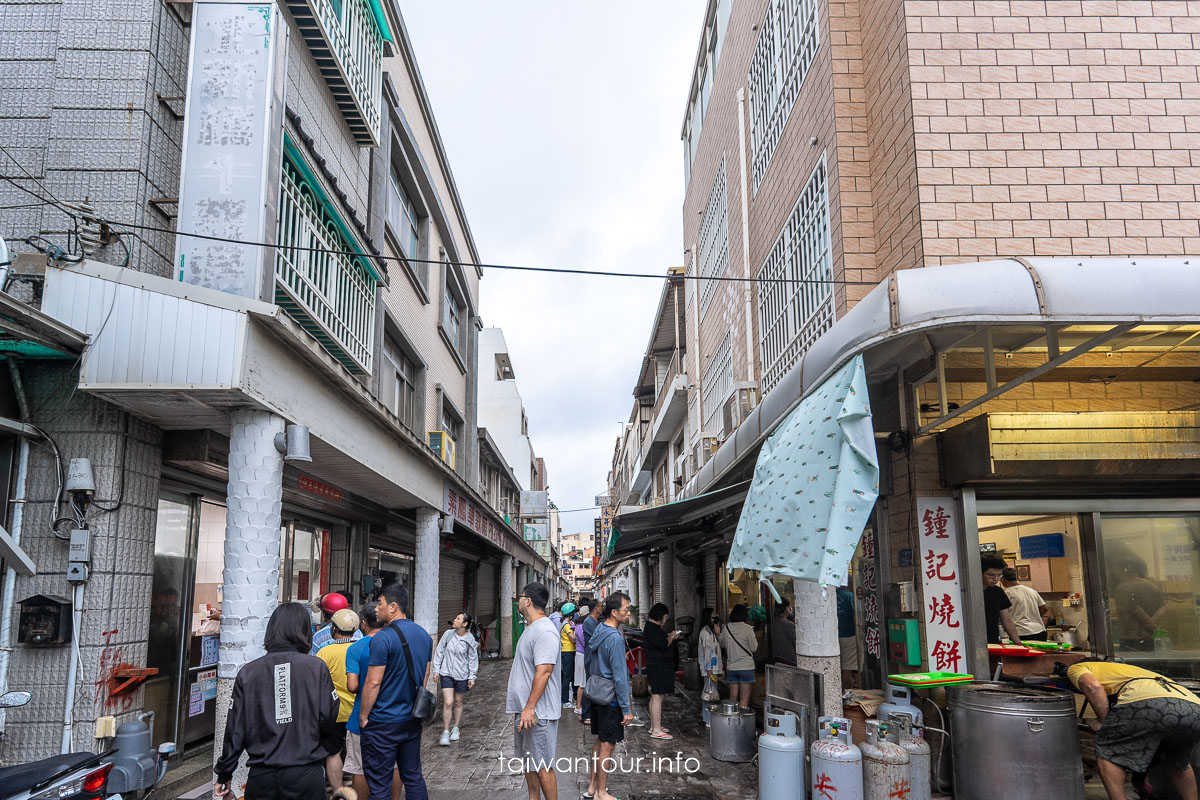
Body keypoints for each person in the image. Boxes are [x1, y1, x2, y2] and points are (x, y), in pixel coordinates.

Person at [214, 603, 341, 800]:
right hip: (306, 773)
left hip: (262, 776)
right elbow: (329, 715)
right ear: (305, 631)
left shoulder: (248, 673)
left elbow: (235, 729)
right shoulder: (316, 668)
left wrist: (225, 773)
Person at [1067, 660, 1200, 800]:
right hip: (1194, 708)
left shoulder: (1079, 667)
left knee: (1109, 753)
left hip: (1148, 703)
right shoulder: (1131, 671)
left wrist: (1103, 721)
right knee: (1177, 761)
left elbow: (1092, 686)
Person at [359, 583, 432, 800]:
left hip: (382, 722)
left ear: (393, 607)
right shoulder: (424, 635)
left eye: (379, 603)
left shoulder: (382, 638)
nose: (376, 609)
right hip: (411, 719)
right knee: (413, 776)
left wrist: (363, 716)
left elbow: (373, 683)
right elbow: (425, 676)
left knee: (380, 785)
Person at [505, 583, 561, 800]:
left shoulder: (545, 630)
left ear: (528, 600)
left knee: (543, 766)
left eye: (520, 597)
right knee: (530, 763)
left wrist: (530, 707)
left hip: (539, 713)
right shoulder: (531, 628)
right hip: (526, 711)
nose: (518, 600)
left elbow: (545, 671)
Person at [344, 605, 401, 800]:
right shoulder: (395, 644)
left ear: (363, 623)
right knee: (394, 765)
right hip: (392, 715)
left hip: (361, 717)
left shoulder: (356, 648)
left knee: (360, 768)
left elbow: (352, 686)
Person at [583, 592, 633, 800]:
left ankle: (593, 787)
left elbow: (589, 660)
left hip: (596, 693)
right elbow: (620, 677)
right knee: (607, 744)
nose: (629, 613)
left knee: (600, 741)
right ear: (614, 612)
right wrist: (627, 709)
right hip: (610, 698)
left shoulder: (599, 630)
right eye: (626, 610)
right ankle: (601, 793)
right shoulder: (614, 637)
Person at [316, 607, 360, 794]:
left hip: (332, 712)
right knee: (358, 754)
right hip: (357, 711)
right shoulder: (362, 648)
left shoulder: (324, 653)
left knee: (333, 752)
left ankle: (338, 792)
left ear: (334, 629)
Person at [431, 611, 479, 746]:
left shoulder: (470, 641)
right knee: (448, 702)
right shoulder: (448, 634)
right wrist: (436, 670)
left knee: (458, 702)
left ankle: (456, 728)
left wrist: (472, 677)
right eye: (455, 617)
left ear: (464, 624)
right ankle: (446, 731)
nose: (454, 620)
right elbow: (439, 651)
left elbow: (472, 659)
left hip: (462, 675)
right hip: (446, 673)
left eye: (458, 619)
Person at [642, 602, 678, 741]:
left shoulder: (652, 627)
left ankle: (654, 726)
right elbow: (663, 645)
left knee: (656, 696)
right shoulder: (652, 628)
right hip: (658, 667)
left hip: (658, 666)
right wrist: (671, 637)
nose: (666, 619)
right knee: (657, 696)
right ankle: (656, 729)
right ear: (660, 616)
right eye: (665, 616)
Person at [1115, 560, 1167, 652]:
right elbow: (1163, 606)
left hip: (1131, 640)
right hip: (1150, 637)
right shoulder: (1152, 586)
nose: (1115, 573)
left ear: (1125, 570)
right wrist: (1153, 625)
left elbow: (1136, 611)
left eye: (1116, 569)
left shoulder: (1123, 588)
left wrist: (1151, 625)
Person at [720, 603, 758, 708]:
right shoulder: (748, 629)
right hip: (746, 667)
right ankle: (741, 723)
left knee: (733, 697)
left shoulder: (726, 628)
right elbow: (754, 648)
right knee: (744, 698)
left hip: (731, 667)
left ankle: (733, 721)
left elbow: (721, 644)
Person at [981, 555, 1023, 645]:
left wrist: (1018, 643)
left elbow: (1006, 620)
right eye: (991, 575)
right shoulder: (969, 593)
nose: (995, 579)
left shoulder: (998, 592)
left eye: (999, 575)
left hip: (993, 641)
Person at [1001, 568, 1050, 642]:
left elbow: (1003, 614)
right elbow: (1044, 608)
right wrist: (1034, 617)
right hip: (1039, 631)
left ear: (1003, 579)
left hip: (1020, 633)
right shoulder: (1031, 591)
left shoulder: (1007, 593)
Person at [697, 607, 722, 726]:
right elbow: (707, 651)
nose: (715, 617)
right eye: (713, 616)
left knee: (709, 692)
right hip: (710, 668)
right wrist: (709, 668)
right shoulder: (706, 632)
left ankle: (706, 715)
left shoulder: (710, 631)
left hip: (711, 667)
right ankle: (708, 719)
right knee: (710, 693)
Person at [578, 602, 603, 725]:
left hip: (595, 658)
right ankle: (586, 714)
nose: (602, 608)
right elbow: (600, 636)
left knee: (594, 685)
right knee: (590, 685)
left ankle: (592, 713)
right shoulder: (589, 622)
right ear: (596, 609)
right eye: (601, 606)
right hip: (590, 658)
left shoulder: (597, 621)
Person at [835, 587, 858, 688]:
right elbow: (856, 616)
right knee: (847, 667)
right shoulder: (849, 595)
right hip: (847, 635)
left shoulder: (822, 594)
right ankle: (846, 692)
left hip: (828, 637)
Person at [572, 605, 590, 715]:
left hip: (578, 654)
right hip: (583, 655)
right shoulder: (583, 627)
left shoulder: (577, 626)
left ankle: (579, 705)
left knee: (580, 682)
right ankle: (578, 706)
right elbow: (585, 643)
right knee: (582, 683)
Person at [559, 602, 577, 709]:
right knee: (567, 677)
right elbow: (573, 639)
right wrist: (574, 629)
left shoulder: (565, 623)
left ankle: (567, 699)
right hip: (568, 652)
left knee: (569, 676)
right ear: (571, 614)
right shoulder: (567, 625)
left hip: (567, 652)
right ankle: (565, 701)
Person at [771, 597, 797, 667]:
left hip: (777, 658)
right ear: (785, 609)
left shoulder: (774, 622)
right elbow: (796, 641)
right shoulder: (789, 624)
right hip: (789, 659)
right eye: (789, 607)